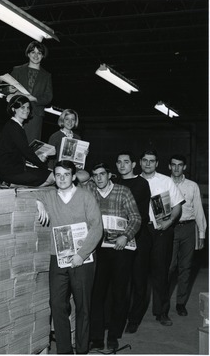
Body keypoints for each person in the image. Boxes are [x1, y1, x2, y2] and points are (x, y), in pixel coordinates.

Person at [27, 160, 103, 354]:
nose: (62, 179)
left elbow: (97, 228)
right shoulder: (49, 195)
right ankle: (64, 350)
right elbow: (30, 193)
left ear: (74, 176)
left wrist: (81, 254)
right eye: (58, 175)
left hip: (82, 260)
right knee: (57, 304)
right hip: (58, 259)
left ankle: (82, 349)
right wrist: (39, 204)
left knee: (82, 306)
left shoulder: (86, 196)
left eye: (66, 175)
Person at [88, 162, 141, 351]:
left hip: (120, 248)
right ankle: (95, 337)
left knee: (119, 293)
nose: (99, 178)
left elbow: (136, 218)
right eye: (95, 175)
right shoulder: (90, 190)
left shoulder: (123, 191)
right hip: (98, 248)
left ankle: (113, 335)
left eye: (102, 174)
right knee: (96, 293)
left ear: (109, 175)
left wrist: (125, 236)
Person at [140, 149, 185, 326]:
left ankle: (161, 312)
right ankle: (135, 315)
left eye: (152, 161)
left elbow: (177, 207)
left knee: (161, 273)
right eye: (145, 160)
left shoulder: (166, 181)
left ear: (157, 163)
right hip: (141, 231)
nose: (148, 163)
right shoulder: (135, 181)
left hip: (162, 230)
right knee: (139, 273)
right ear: (140, 162)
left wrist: (170, 222)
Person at [115, 151, 151, 334]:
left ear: (133, 164)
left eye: (126, 162)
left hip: (139, 237)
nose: (122, 165)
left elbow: (139, 214)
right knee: (122, 280)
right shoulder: (114, 182)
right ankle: (118, 316)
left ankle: (134, 318)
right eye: (119, 162)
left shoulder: (141, 184)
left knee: (138, 279)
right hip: (117, 236)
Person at [168, 154, 207, 316]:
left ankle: (180, 303)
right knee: (169, 267)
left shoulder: (192, 186)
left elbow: (198, 210)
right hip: (170, 228)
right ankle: (163, 302)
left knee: (185, 267)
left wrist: (202, 233)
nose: (176, 168)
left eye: (180, 165)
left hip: (188, 229)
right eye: (173, 165)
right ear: (169, 166)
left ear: (184, 167)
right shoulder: (164, 183)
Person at [0, 41, 53, 143]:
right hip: (18, 111)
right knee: (15, 143)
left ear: (43, 56)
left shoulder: (47, 76)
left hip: (35, 115)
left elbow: (48, 97)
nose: (36, 55)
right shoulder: (17, 70)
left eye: (39, 53)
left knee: (31, 145)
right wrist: (10, 90)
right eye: (33, 52)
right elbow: (4, 88)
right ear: (28, 54)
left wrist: (34, 98)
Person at [0, 95, 54, 187]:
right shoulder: (14, 127)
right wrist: (44, 166)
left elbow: (20, 151)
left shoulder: (15, 126)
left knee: (49, 176)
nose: (26, 110)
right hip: (11, 171)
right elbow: (26, 151)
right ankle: (15, 185)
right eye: (22, 107)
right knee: (51, 177)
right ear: (13, 109)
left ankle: (18, 186)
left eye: (28, 107)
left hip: (14, 168)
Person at [48, 108, 90, 184]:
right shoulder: (55, 137)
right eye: (67, 119)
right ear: (62, 120)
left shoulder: (77, 137)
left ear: (75, 121)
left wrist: (84, 155)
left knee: (86, 175)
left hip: (73, 170)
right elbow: (50, 160)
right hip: (60, 170)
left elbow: (79, 162)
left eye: (73, 119)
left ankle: (68, 181)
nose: (70, 122)